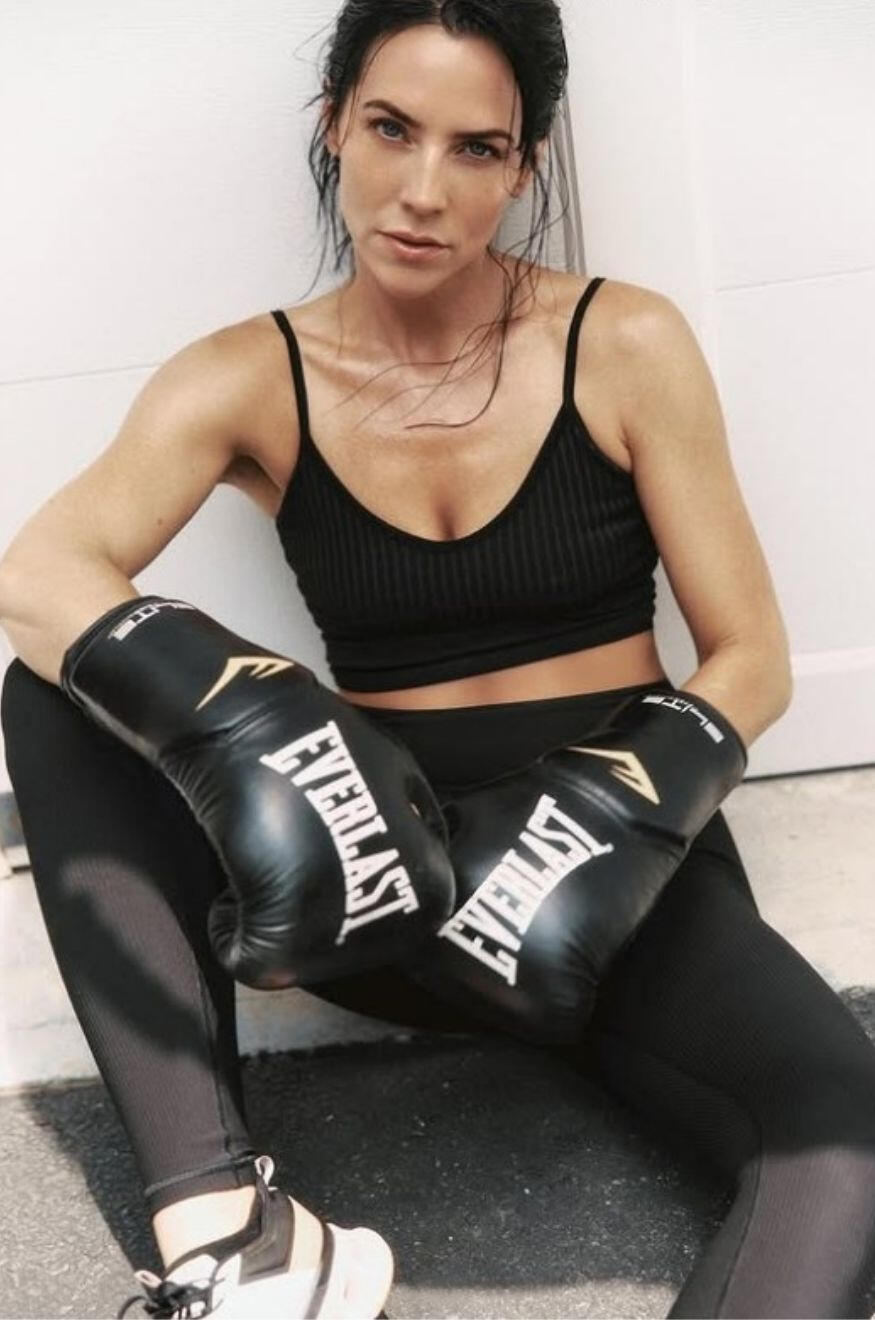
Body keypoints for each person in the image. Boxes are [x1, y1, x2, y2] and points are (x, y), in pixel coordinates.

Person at [2, 1, 875, 1316]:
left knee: (842, 1131)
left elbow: (751, 657)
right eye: (391, 130)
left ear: (524, 167)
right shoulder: (249, 375)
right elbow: (38, 573)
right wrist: (254, 727)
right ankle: (229, 1234)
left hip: (601, 872)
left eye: (477, 149)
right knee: (51, 689)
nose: (424, 191)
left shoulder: (622, 342)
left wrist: (608, 818)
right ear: (333, 127)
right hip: (377, 873)